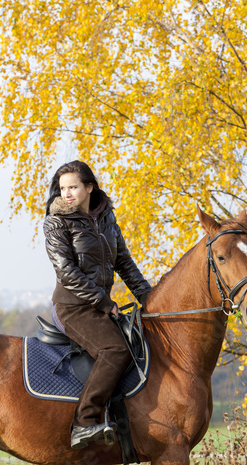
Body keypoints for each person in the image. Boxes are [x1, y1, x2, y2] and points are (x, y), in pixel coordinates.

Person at [43, 160, 152, 449]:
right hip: (72, 307)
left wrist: (149, 298)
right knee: (115, 350)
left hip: (99, 305)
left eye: (73, 187)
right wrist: (105, 302)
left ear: (89, 187)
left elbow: (124, 262)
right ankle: (85, 422)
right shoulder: (56, 222)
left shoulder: (106, 219)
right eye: (63, 188)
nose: (66, 193)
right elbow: (66, 272)